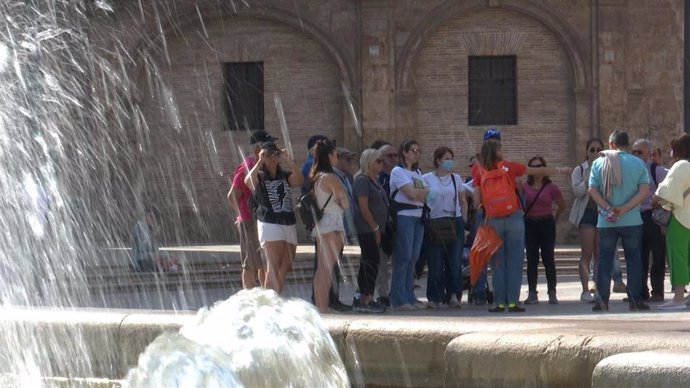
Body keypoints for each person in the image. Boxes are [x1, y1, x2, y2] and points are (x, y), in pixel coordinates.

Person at [472, 141, 568, 313]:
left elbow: (476, 201)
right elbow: (536, 171)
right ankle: (513, 302)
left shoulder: (480, 171)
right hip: (514, 218)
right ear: (498, 151)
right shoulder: (508, 167)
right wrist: (561, 170)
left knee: (498, 262)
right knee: (515, 261)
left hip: (493, 219)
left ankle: (499, 302)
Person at [588, 130, 650, 312]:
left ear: (611, 144)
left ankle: (602, 301)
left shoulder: (599, 163)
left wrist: (608, 208)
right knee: (634, 259)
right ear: (627, 145)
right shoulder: (638, 163)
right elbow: (644, 191)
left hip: (606, 221)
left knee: (604, 259)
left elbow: (592, 190)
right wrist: (624, 208)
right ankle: (635, 300)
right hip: (632, 219)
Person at [244, 141, 303, 294]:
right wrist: (259, 161)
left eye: (275, 155)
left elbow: (299, 180)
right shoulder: (260, 176)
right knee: (274, 265)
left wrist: (288, 160)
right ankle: (270, 303)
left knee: (286, 264)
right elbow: (248, 181)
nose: (272, 158)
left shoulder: (284, 175)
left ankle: (274, 297)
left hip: (288, 221)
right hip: (270, 222)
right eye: (268, 155)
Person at [302, 135, 350, 311]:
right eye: (335, 154)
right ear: (329, 155)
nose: (337, 157)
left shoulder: (316, 176)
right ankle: (322, 308)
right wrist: (342, 200)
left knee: (321, 269)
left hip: (322, 225)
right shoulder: (331, 177)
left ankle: (320, 306)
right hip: (333, 224)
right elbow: (344, 203)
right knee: (327, 269)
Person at [227, 130, 275, 289]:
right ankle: (249, 297)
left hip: (259, 219)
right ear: (258, 149)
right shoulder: (247, 166)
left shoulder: (259, 165)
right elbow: (232, 195)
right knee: (250, 263)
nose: (272, 149)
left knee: (262, 262)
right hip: (249, 220)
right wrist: (241, 216)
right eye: (268, 148)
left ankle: (263, 296)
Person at [423, 146, 467, 308]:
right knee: (435, 260)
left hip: (454, 220)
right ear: (438, 160)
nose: (449, 162)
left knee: (454, 260)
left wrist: (464, 219)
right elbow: (423, 199)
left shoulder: (456, 178)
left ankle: (453, 295)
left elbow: (463, 200)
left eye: (451, 158)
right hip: (435, 221)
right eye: (446, 158)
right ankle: (434, 297)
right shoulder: (427, 178)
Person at [389, 139, 429, 310]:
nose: (416, 153)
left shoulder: (417, 172)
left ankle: (409, 295)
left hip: (418, 216)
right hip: (404, 215)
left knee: (413, 257)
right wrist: (421, 193)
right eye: (413, 150)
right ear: (404, 152)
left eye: (418, 151)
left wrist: (421, 193)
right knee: (403, 256)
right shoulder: (398, 171)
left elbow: (427, 195)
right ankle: (398, 298)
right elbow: (412, 194)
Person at [653, 133, 690, 310]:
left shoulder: (681, 166)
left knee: (678, 256)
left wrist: (655, 201)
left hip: (680, 217)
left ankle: (679, 296)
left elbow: (666, 191)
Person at [522, 156, 566, 304]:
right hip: (530, 224)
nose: (537, 169)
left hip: (546, 223)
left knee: (548, 258)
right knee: (532, 259)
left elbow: (562, 205)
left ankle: (552, 292)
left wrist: (554, 219)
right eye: (533, 167)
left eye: (540, 166)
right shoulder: (524, 187)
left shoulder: (551, 187)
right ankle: (532, 293)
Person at [632, 138, 668, 301]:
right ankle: (641, 291)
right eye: (634, 152)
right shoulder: (630, 170)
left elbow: (667, 192)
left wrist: (664, 220)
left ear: (648, 153)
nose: (636, 155)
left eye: (640, 152)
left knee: (658, 255)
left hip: (653, 216)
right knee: (639, 255)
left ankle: (658, 291)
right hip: (635, 216)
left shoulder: (657, 170)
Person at [352, 149, 388, 313]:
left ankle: (368, 296)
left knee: (373, 262)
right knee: (369, 262)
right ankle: (365, 298)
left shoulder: (375, 180)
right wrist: (375, 227)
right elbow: (364, 208)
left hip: (376, 228)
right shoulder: (362, 180)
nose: (382, 164)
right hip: (367, 229)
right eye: (378, 161)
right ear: (369, 162)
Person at [569, 138, 604, 302]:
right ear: (587, 152)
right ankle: (585, 291)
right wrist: (589, 176)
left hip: (602, 214)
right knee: (587, 253)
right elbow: (577, 192)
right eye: (592, 150)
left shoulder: (606, 169)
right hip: (587, 215)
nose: (595, 153)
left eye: (598, 150)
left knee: (600, 253)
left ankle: (599, 288)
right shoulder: (579, 170)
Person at [375, 141, 397, 306]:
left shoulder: (399, 175)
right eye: (390, 156)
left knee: (399, 259)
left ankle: (397, 292)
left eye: (396, 155)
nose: (394, 159)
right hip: (381, 224)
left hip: (397, 223)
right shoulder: (376, 179)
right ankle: (382, 293)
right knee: (381, 261)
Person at [131, 208, 179, 272]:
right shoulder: (139, 226)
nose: (152, 219)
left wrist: (155, 237)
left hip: (152, 257)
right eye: (150, 216)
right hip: (141, 258)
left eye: (153, 217)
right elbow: (140, 244)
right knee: (156, 258)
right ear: (145, 217)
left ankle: (164, 267)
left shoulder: (152, 229)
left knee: (174, 258)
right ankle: (164, 268)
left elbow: (155, 249)